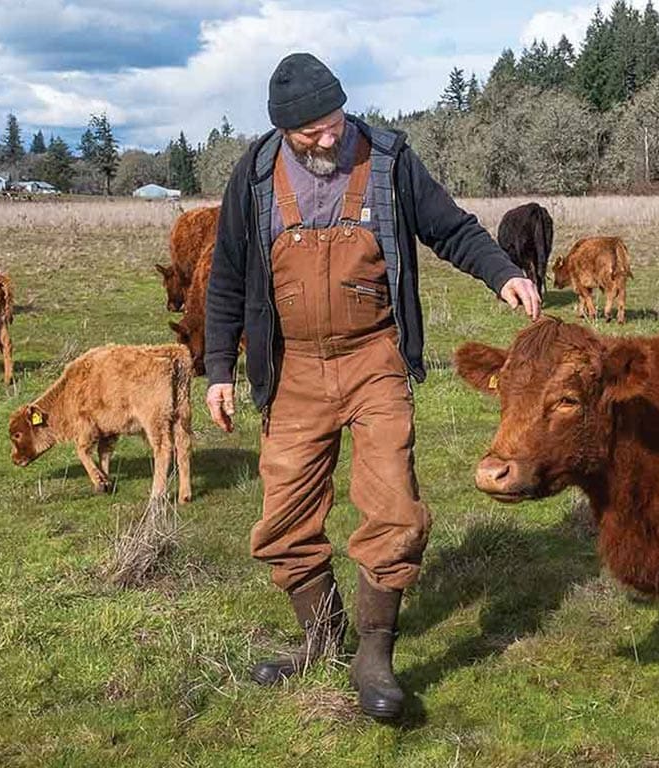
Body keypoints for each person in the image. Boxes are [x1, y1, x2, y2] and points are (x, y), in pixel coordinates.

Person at [204, 52, 540, 720]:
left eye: (335, 123)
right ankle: (323, 639)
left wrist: (501, 271)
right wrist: (219, 370)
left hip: (374, 359)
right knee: (283, 520)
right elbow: (228, 279)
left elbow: (451, 228)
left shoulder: (388, 159)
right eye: (313, 133)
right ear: (284, 129)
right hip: (292, 368)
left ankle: (375, 656)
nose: (330, 139)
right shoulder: (253, 176)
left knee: (394, 508)